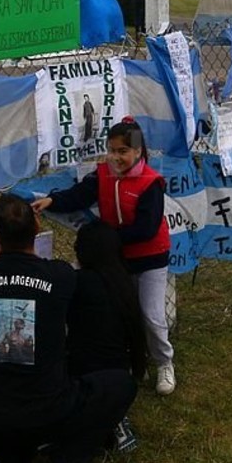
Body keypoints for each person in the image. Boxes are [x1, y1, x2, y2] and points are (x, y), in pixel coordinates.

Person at [0, 194, 136, 463]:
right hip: (48, 409)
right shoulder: (61, 276)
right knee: (121, 384)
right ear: (36, 228)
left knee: (8, 436)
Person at [32, 118, 177, 395]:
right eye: (111, 150)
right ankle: (137, 360)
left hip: (150, 259)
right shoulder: (102, 174)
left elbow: (146, 229)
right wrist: (53, 200)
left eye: (122, 151)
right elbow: (79, 195)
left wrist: (107, 240)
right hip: (117, 260)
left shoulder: (151, 183)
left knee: (151, 315)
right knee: (121, 313)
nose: (115, 157)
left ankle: (164, 362)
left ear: (137, 152)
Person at [68, 221, 147, 452]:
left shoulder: (78, 282)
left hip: (81, 377)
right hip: (119, 376)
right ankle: (112, 420)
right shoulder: (123, 282)